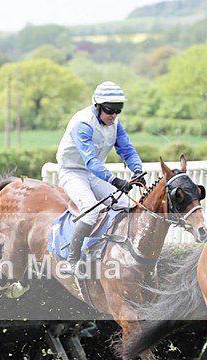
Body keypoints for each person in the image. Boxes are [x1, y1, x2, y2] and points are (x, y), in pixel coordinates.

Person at [55, 81, 146, 275]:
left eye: (118, 110)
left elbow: (127, 150)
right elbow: (91, 162)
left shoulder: (115, 123)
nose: (114, 115)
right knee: (90, 210)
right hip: (73, 172)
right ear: (97, 106)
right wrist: (115, 181)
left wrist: (137, 170)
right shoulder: (82, 123)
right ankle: (72, 260)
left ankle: (111, 249)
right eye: (110, 110)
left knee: (126, 205)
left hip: (94, 174)